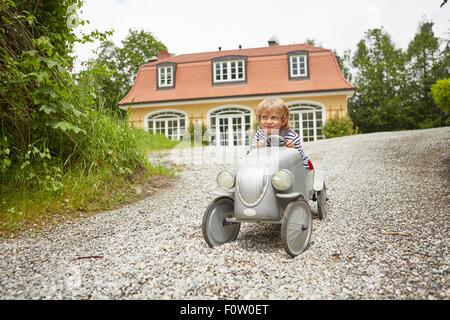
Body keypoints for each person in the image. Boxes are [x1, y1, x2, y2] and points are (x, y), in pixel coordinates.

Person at [249, 97, 314, 170]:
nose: (268, 121)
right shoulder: (259, 134)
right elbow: (250, 156)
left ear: (283, 121)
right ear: (259, 120)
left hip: (286, 170)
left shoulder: (291, 136)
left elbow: (301, 160)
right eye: (264, 117)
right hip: (265, 169)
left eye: (274, 118)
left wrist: (292, 151)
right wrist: (257, 150)